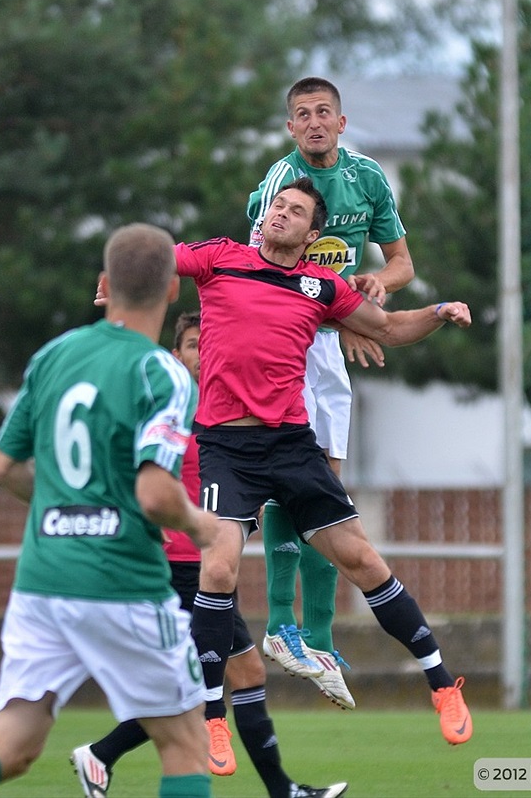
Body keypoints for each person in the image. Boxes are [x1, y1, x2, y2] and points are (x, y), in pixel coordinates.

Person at [0, 223, 219, 798]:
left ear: (105, 283)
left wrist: (62, 506)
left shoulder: (53, 355)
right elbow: (155, 495)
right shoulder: (165, 373)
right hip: (122, 580)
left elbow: (3, 467)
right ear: (174, 290)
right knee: (183, 744)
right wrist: (205, 526)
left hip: (42, 581)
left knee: (13, 745)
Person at [173, 177, 474, 750]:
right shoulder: (220, 258)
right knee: (217, 570)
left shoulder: (318, 286)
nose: (280, 213)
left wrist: (437, 311)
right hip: (227, 450)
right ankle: (214, 719)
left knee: (362, 558)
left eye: (295, 210)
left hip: (291, 446)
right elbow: (156, 259)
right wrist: (122, 272)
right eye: (275, 206)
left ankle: (440, 683)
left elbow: (387, 326)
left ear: (313, 234)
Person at [71, 312, 347, 798]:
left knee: (232, 678)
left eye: (209, 343)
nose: (202, 353)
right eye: (194, 345)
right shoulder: (171, 406)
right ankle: (104, 755)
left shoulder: (232, 405)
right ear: (178, 354)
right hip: (176, 569)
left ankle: (103, 755)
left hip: (212, 570)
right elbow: (120, 465)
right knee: (206, 686)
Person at [247, 76, 414, 710]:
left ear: (342, 123)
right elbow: (264, 262)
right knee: (287, 480)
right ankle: (281, 623)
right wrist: (331, 319)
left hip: (328, 340)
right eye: (302, 114)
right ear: (290, 128)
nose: (314, 122)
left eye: (324, 112)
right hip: (289, 344)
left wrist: (374, 289)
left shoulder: (368, 177)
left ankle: (314, 635)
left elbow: (401, 264)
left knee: (326, 486)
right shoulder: (278, 183)